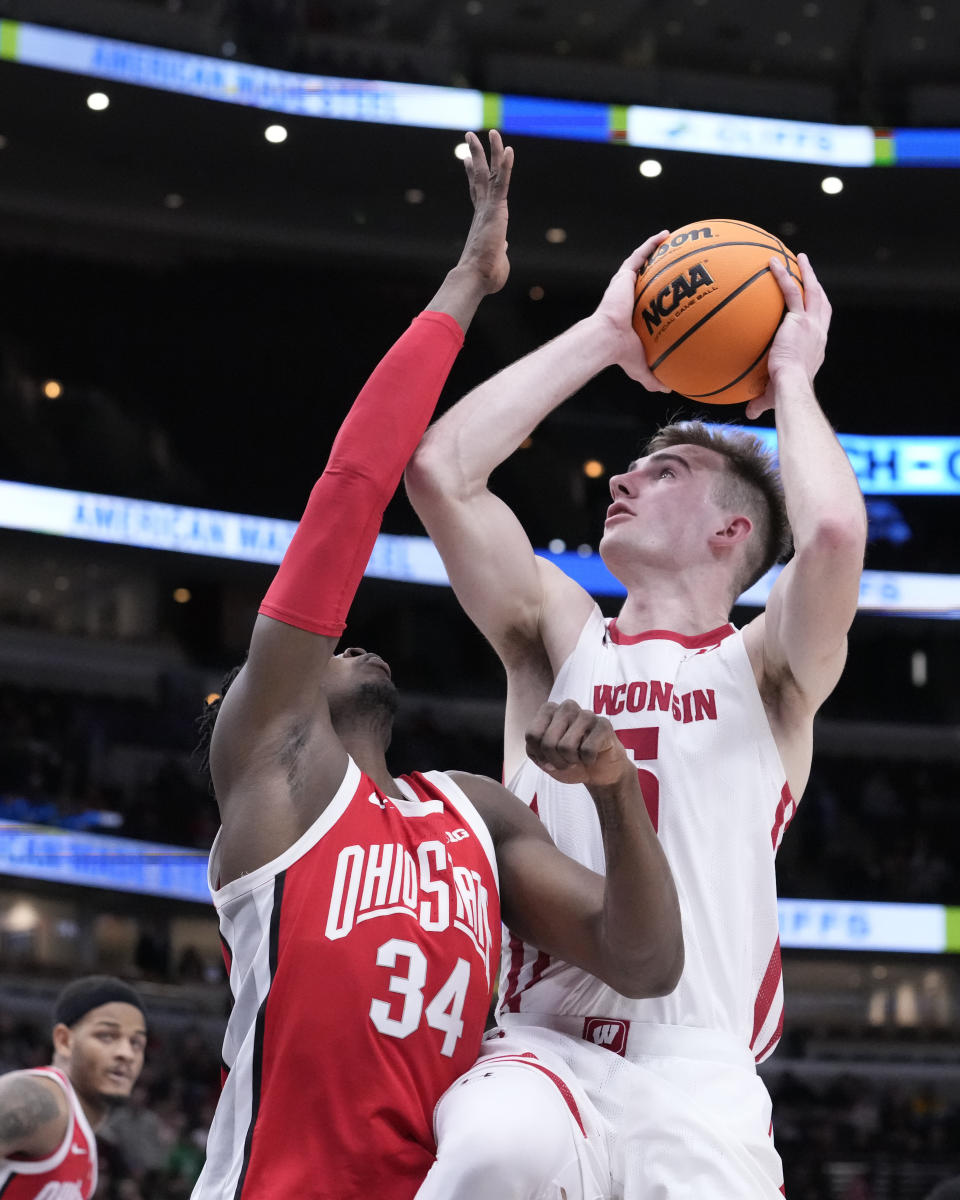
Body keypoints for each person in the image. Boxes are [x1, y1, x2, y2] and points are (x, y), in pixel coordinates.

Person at [189, 135, 682, 1200]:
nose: (345, 636)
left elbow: (642, 964)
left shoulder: (474, 810)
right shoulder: (276, 784)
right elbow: (351, 490)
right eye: (315, 649)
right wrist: (469, 282)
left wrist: (621, 797)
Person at [406, 231, 867, 1197]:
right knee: (493, 1157)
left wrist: (791, 379)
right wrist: (606, 332)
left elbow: (826, 531)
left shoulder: (770, 667)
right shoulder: (559, 636)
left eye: (662, 473)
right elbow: (440, 471)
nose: (621, 478)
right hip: (541, 1044)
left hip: (696, 1068)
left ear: (732, 529)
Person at [0, 975, 148, 1199]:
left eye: (136, 1043)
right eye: (107, 1036)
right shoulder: (37, 1098)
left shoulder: (84, 1134)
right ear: (64, 1041)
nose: (126, 1054)